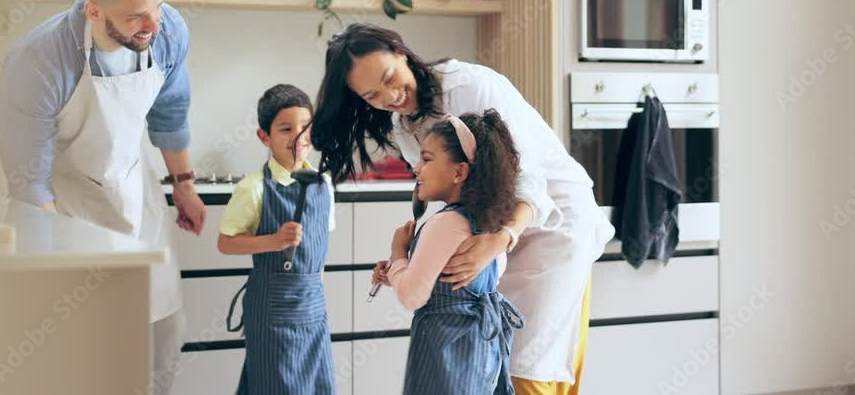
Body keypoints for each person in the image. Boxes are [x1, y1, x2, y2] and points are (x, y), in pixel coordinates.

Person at [311, 23, 616, 394]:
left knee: (531, 366)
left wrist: (502, 238)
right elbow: (452, 201)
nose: (391, 96)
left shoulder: (470, 86)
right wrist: (406, 259)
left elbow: (529, 180)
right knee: (499, 367)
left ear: (401, 52)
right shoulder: (405, 128)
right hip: (494, 242)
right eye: (373, 95)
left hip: (553, 226)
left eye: (391, 78)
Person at [0, 0, 206, 395]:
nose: (153, 23)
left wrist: (184, 187)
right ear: (93, 10)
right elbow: (28, 180)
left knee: (163, 343)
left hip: (137, 198)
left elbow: (169, 113)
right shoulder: (40, 61)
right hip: (64, 209)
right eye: (136, 17)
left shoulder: (167, 32)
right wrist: (57, 265)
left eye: (157, 5)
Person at [373, 110, 525, 394]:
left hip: (445, 355)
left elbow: (412, 296)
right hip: (481, 351)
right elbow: (443, 281)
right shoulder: (487, 225)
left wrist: (398, 253)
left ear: (460, 171)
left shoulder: (444, 224)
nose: (417, 169)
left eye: (427, 159)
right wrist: (399, 270)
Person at [219, 84, 336, 395]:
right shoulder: (254, 187)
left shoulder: (324, 184)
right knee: (277, 385)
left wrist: (317, 291)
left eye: (304, 127)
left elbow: (319, 250)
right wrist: (273, 241)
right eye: (286, 129)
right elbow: (226, 242)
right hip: (273, 307)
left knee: (317, 386)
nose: (298, 137)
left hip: (313, 304)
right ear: (264, 137)